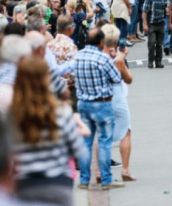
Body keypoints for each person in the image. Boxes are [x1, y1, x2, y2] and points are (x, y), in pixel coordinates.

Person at [10, 57, 85, 206]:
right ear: (46, 81)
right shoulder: (60, 112)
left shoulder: (11, 116)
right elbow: (79, 151)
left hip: (23, 187)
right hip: (57, 185)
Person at [74, 28, 125, 190]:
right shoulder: (103, 59)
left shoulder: (78, 56)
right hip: (102, 103)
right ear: (101, 42)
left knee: (86, 143)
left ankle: (84, 179)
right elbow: (117, 78)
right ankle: (106, 179)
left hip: (83, 102)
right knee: (104, 141)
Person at [99, 24, 136, 182]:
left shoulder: (96, 56)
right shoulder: (117, 59)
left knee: (103, 135)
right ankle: (125, 170)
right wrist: (121, 57)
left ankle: (102, 172)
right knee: (126, 132)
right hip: (116, 96)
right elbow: (128, 79)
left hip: (99, 96)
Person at [142, 0, 166, 68]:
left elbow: (165, 10)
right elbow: (145, 12)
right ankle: (150, 61)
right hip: (151, 24)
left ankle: (158, 61)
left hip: (161, 23)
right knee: (152, 43)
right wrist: (145, 24)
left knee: (160, 44)